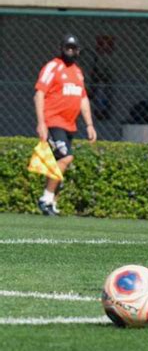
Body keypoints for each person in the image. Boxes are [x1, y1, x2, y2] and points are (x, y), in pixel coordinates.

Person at [34, 33, 97, 216]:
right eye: (67, 48)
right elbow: (39, 94)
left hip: (70, 125)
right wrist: (41, 123)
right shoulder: (53, 67)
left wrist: (90, 124)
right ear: (61, 49)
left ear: (78, 51)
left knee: (59, 162)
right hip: (53, 121)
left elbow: (83, 98)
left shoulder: (77, 71)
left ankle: (51, 202)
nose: (70, 51)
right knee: (65, 158)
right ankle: (45, 198)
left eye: (73, 48)